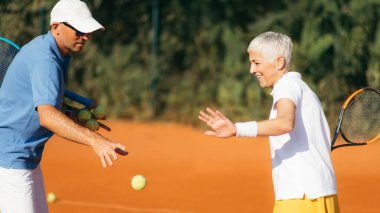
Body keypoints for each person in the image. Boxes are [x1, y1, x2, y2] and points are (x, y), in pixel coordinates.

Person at [0, 0, 127, 212]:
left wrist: (72, 114)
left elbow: (39, 103)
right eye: (78, 30)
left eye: (87, 31)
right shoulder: (46, 60)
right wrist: (95, 140)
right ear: (56, 27)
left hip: (24, 158)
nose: (85, 36)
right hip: (11, 162)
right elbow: (47, 116)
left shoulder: (54, 52)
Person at [198, 31, 340, 213]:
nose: (251, 70)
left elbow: (284, 123)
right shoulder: (302, 88)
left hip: (301, 197)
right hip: (320, 194)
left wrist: (237, 129)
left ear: (279, 62)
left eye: (256, 63)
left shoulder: (286, 86)